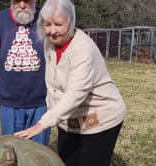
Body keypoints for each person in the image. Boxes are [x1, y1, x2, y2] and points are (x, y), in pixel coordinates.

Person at [14, 0, 127, 165]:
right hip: (70, 118)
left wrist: (42, 124)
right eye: (47, 24)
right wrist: (51, 105)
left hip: (100, 118)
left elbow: (76, 94)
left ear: (70, 21)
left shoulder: (82, 49)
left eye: (58, 24)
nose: (52, 31)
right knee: (66, 160)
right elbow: (51, 79)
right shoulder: (49, 43)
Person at [0, 0, 51, 146]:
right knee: (11, 151)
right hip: (9, 103)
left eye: (27, 1)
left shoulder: (47, 19)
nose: (21, 5)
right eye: (17, 0)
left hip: (41, 102)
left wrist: (56, 96)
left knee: (39, 152)